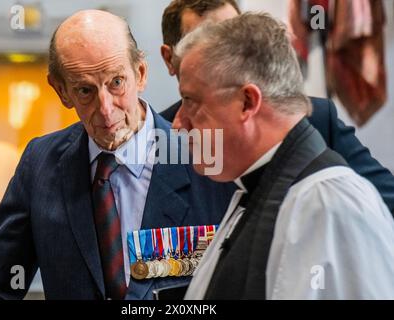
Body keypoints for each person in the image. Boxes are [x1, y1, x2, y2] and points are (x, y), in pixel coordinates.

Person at [0, 10, 234, 300]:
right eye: (85, 90)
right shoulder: (41, 165)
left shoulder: (204, 158)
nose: (106, 110)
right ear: (61, 91)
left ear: (141, 73)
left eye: (116, 83)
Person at [173, 12, 394, 299]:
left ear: (247, 102)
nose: (178, 123)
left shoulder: (330, 205)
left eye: (190, 100)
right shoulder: (252, 187)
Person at [159, 0, 394, 215]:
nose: (226, 54)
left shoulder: (310, 118)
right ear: (170, 59)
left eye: (234, 36)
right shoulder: (160, 142)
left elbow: (385, 201)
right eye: (201, 43)